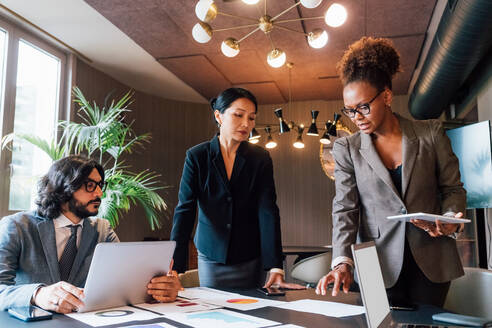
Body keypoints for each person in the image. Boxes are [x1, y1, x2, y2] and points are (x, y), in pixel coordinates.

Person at [316, 37, 466, 307]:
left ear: (386, 96)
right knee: (377, 326)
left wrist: (448, 219)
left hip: (432, 258)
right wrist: (341, 261)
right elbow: (345, 209)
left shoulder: (430, 133)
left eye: (363, 107)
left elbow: (453, 190)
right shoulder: (346, 149)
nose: (357, 117)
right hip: (372, 262)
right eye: (349, 111)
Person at [0, 155, 181, 313]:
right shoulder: (16, 227)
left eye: (100, 185)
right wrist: (37, 294)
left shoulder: (102, 230)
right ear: (64, 186)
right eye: (90, 185)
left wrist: (160, 289)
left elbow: (123, 282)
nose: (99, 193)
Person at [171, 88, 302, 289]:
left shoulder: (260, 158)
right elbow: (185, 210)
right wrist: (175, 265)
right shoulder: (197, 156)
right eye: (238, 115)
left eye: (251, 118)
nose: (246, 124)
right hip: (211, 255)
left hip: (250, 256)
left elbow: (267, 210)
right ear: (219, 116)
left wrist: (276, 266)